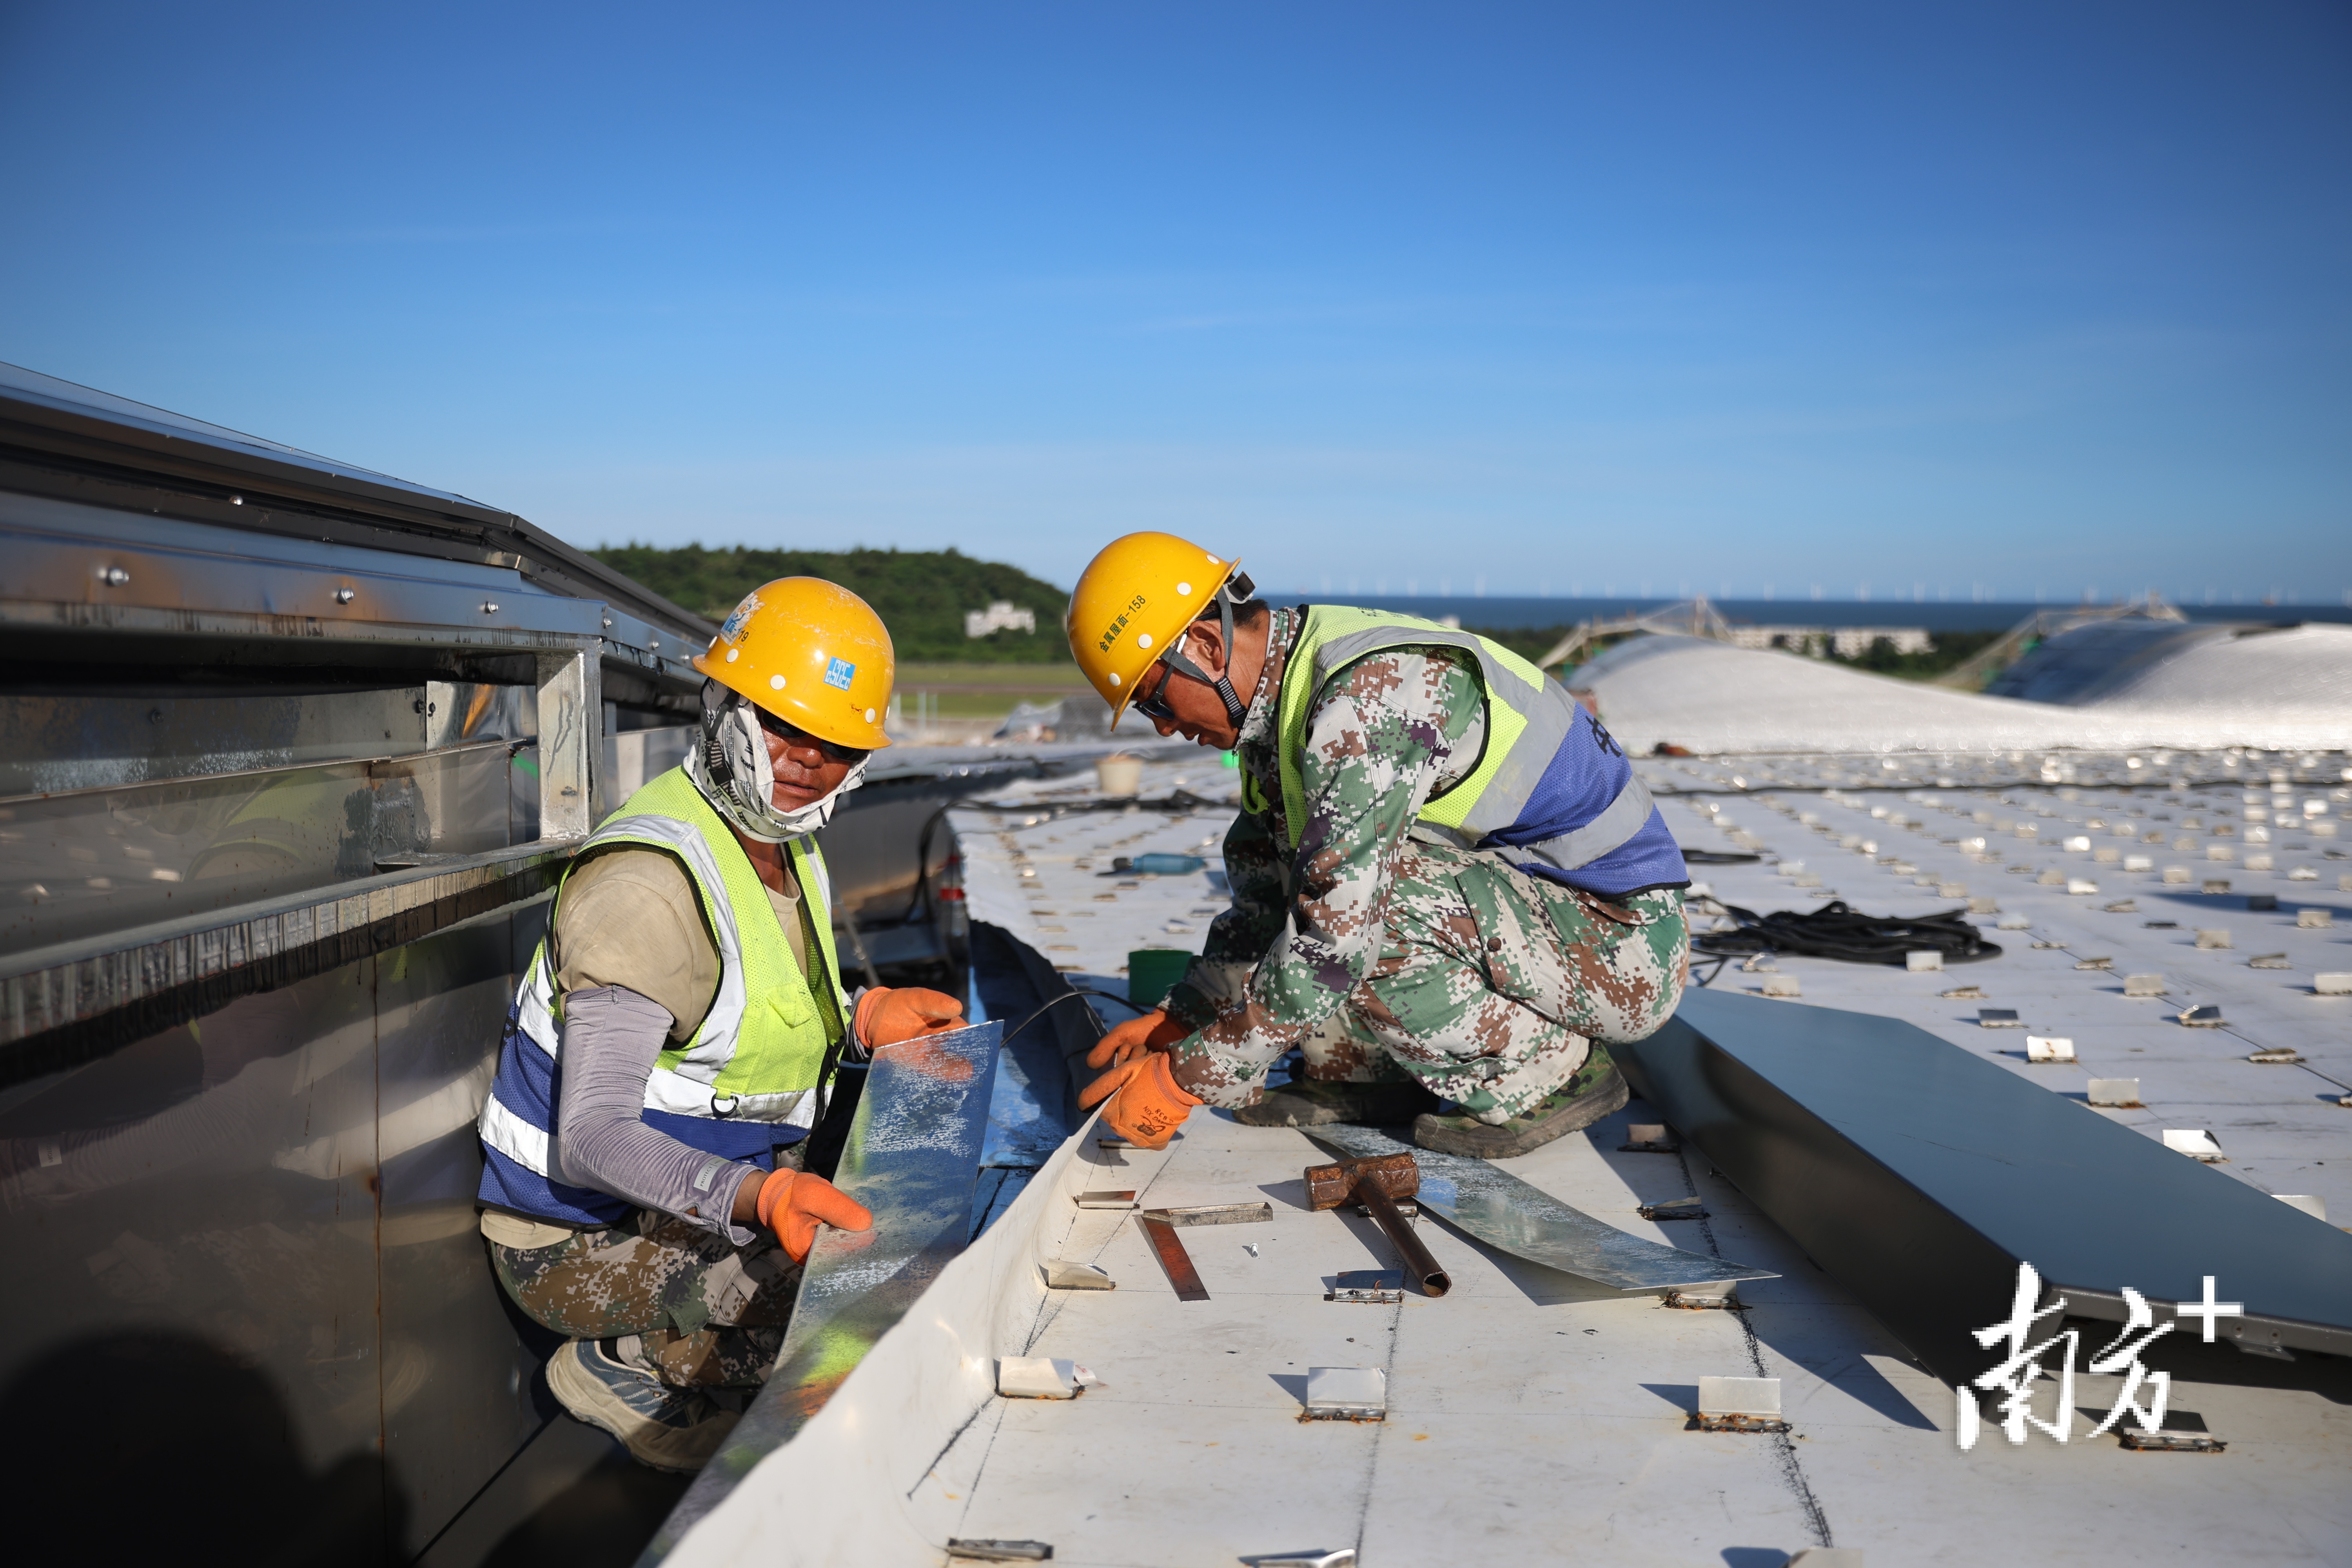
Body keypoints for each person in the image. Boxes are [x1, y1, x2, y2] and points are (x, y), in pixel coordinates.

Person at [474, 577, 967, 1473]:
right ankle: (627, 1367)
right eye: (783, 723)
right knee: (849, 1319)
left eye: (838, 741)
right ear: (726, 704)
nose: (807, 757)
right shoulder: (647, 885)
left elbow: (738, 1014)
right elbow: (589, 1137)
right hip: (577, 1236)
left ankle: (689, 1366)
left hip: (685, 1197)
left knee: (891, 1262)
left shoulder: (779, 841)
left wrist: (860, 1016)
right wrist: (761, 1199)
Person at [1063, 532, 1689, 1160]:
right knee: (1318, 871)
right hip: (1550, 920)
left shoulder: (1368, 702)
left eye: (1154, 699)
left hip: (1621, 943)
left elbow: (1336, 943)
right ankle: (1362, 1073)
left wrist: (1183, 1081)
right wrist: (1188, 1017)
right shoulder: (1280, 706)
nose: (1166, 726)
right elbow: (1263, 891)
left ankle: (1546, 1079)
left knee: (1357, 908)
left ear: (1202, 644)